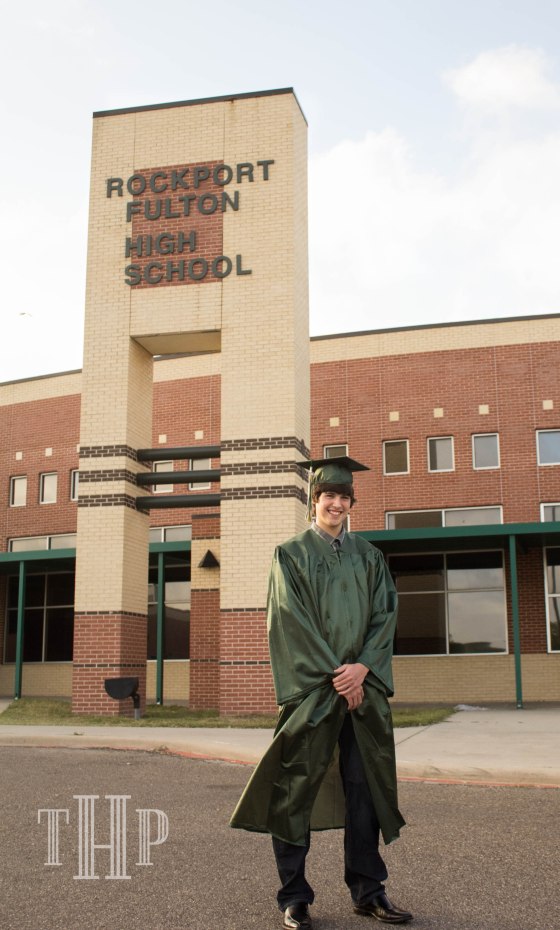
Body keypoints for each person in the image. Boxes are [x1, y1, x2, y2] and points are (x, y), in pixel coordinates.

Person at [230, 457, 412, 927]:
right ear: (315, 501)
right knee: (295, 790)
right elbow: (290, 622)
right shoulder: (290, 555)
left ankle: (368, 891)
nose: (336, 503)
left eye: (344, 497)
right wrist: (338, 676)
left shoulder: (369, 556)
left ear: (352, 503)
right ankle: (294, 896)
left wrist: (362, 669)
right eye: (328, 496)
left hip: (363, 692)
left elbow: (385, 618)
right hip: (313, 692)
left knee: (365, 790)